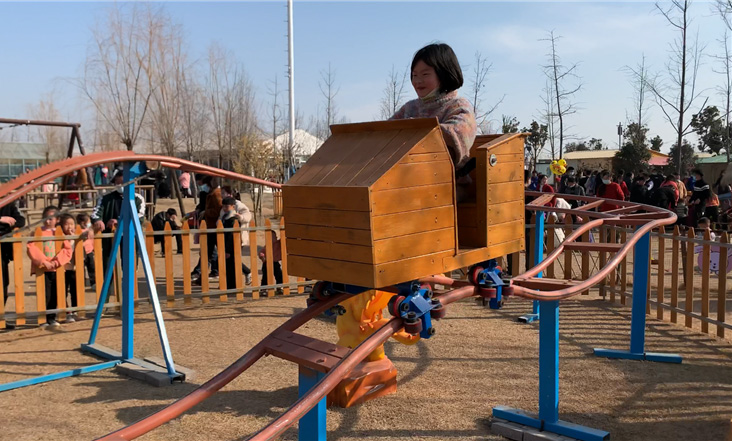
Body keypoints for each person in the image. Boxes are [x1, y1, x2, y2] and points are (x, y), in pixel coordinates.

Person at [390, 43, 476, 200]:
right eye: (414, 75)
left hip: (450, 184)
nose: (418, 81)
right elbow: (386, 130)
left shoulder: (459, 105)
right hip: (408, 179)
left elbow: (459, 132)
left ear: (444, 74)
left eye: (425, 74)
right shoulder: (409, 108)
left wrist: (416, 129)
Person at [91, 171, 146, 280]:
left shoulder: (137, 198)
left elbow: (140, 216)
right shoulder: (106, 198)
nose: (120, 185)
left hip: (129, 236)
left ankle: (128, 283)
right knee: (108, 262)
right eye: (118, 183)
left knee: (129, 263)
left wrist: (119, 221)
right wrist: (98, 220)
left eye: (123, 182)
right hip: (109, 236)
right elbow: (96, 212)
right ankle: (109, 285)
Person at [26, 206, 66, 328]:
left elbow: (67, 249)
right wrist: (44, 261)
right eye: (45, 218)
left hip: (56, 269)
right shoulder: (38, 232)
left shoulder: (59, 233)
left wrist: (57, 262)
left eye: (50, 218)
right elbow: (31, 248)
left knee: (55, 293)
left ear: (57, 219)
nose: (47, 221)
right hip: (42, 269)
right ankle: (43, 319)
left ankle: (51, 317)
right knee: (44, 294)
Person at [220, 186, 253, 284]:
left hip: (237, 237)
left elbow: (247, 216)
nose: (222, 195)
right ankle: (231, 282)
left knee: (234, 260)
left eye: (223, 193)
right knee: (230, 262)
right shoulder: (224, 208)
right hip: (226, 240)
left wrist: (240, 217)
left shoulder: (238, 205)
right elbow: (220, 218)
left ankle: (237, 280)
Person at [0, 200, 25, 328]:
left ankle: (0, 318)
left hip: (3, 252)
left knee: (3, 285)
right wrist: (1, 219)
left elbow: (21, 220)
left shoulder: (9, 204)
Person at [76, 213, 96, 290]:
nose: (89, 223)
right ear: (82, 223)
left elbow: (92, 240)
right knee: (81, 269)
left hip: (89, 251)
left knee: (91, 267)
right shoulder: (78, 230)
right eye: (88, 222)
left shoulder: (90, 230)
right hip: (81, 252)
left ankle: (93, 282)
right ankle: (81, 283)